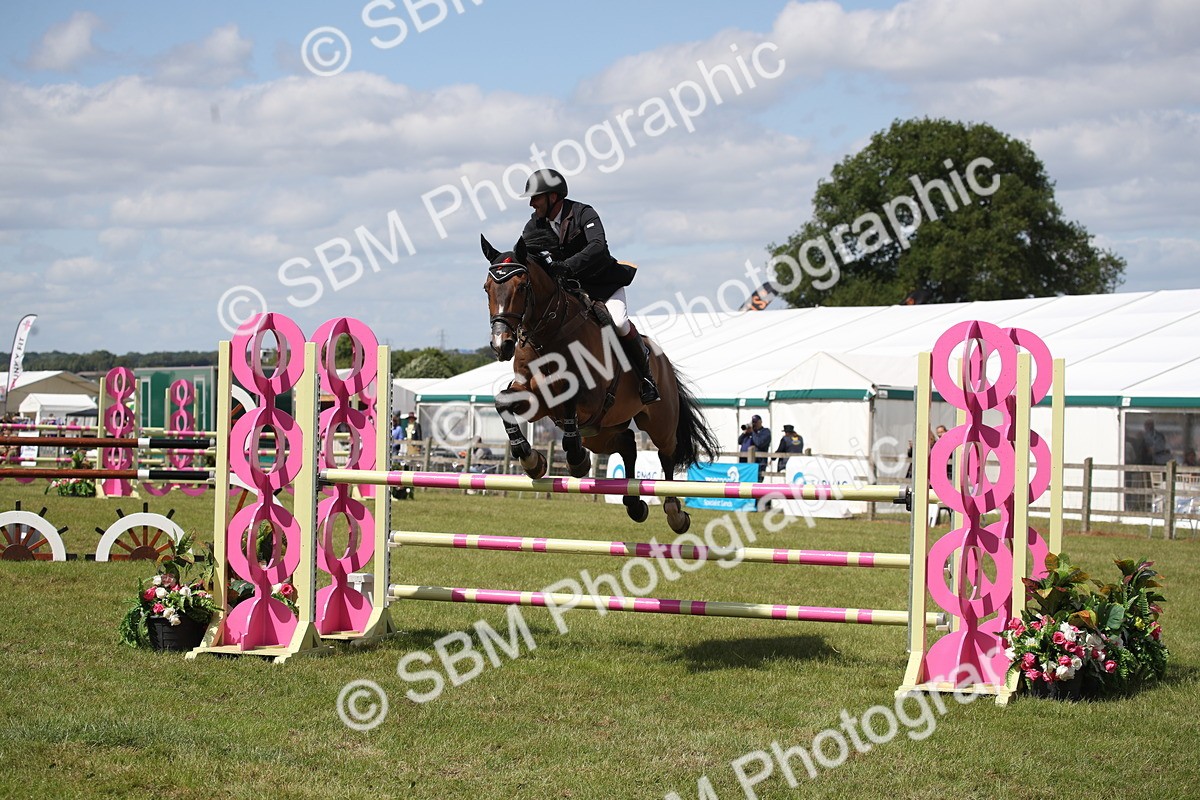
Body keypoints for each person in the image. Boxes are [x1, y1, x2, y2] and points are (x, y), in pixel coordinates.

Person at [520, 168, 660, 404]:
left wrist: (567, 266)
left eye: (536, 198)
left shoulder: (583, 213)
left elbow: (597, 246)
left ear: (552, 197)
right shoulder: (535, 225)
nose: (531, 204)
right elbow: (525, 254)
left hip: (603, 284)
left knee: (619, 323)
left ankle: (646, 378)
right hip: (571, 290)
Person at [737, 414, 771, 480]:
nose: (754, 424)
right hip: (744, 462)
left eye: (755, 422)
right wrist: (745, 432)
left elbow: (759, 443)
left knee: (756, 481)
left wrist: (752, 432)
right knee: (743, 480)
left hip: (758, 463)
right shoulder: (750, 433)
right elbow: (739, 441)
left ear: (760, 422)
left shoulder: (765, 432)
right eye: (753, 422)